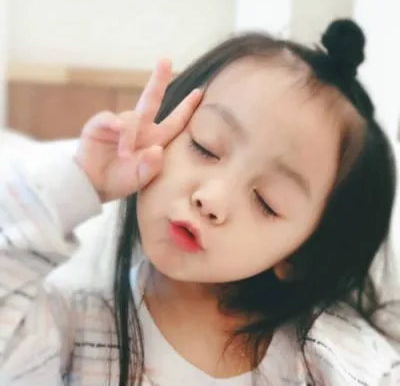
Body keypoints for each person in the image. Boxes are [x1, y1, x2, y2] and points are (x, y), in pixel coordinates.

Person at [0, 19, 399, 385]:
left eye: (266, 202)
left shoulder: (341, 360)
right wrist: (79, 184)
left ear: (300, 255)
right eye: (205, 147)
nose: (211, 199)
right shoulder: (70, 327)